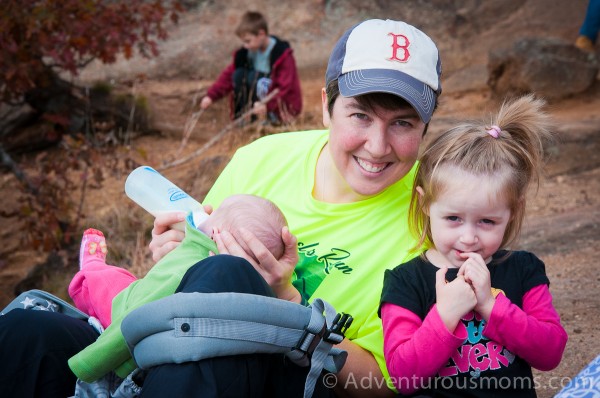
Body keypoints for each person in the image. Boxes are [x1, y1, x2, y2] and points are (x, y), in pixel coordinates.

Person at [0, 18, 442, 398]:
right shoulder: (262, 157)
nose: (378, 146)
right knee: (27, 336)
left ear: (425, 127)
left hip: (290, 378)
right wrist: (178, 258)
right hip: (165, 350)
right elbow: (195, 265)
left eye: (402, 123)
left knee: (229, 277)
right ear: (327, 107)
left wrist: (289, 305)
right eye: (360, 116)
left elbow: (383, 386)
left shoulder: (434, 217)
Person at [379, 95, 568, 396]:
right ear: (425, 203)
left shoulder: (522, 269)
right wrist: (445, 315)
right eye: (453, 217)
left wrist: (491, 306)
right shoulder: (405, 281)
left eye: (487, 222)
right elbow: (403, 376)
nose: (468, 238)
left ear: (513, 213)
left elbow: (551, 352)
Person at [68, 193, 287, 329]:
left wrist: (88, 362)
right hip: (168, 334)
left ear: (215, 234)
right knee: (132, 283)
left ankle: (92, 268)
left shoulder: (199, 262)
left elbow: (128, 324)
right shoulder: (242, 298)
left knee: (109, 283)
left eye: (215, 212)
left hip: (127, 317)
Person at [199, 10, 302, 124]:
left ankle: (271, 118)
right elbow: (228, 76)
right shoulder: (246, 53)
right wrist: (211, 96)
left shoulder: (282, 54)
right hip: (256, 102)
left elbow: (284, 87)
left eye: (248, 41)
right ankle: (244, 118)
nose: (245, 45)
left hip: (277, 105)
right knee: (239, 74)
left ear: (261, 34)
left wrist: (267, 105)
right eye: (244, 42)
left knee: (255, 77)